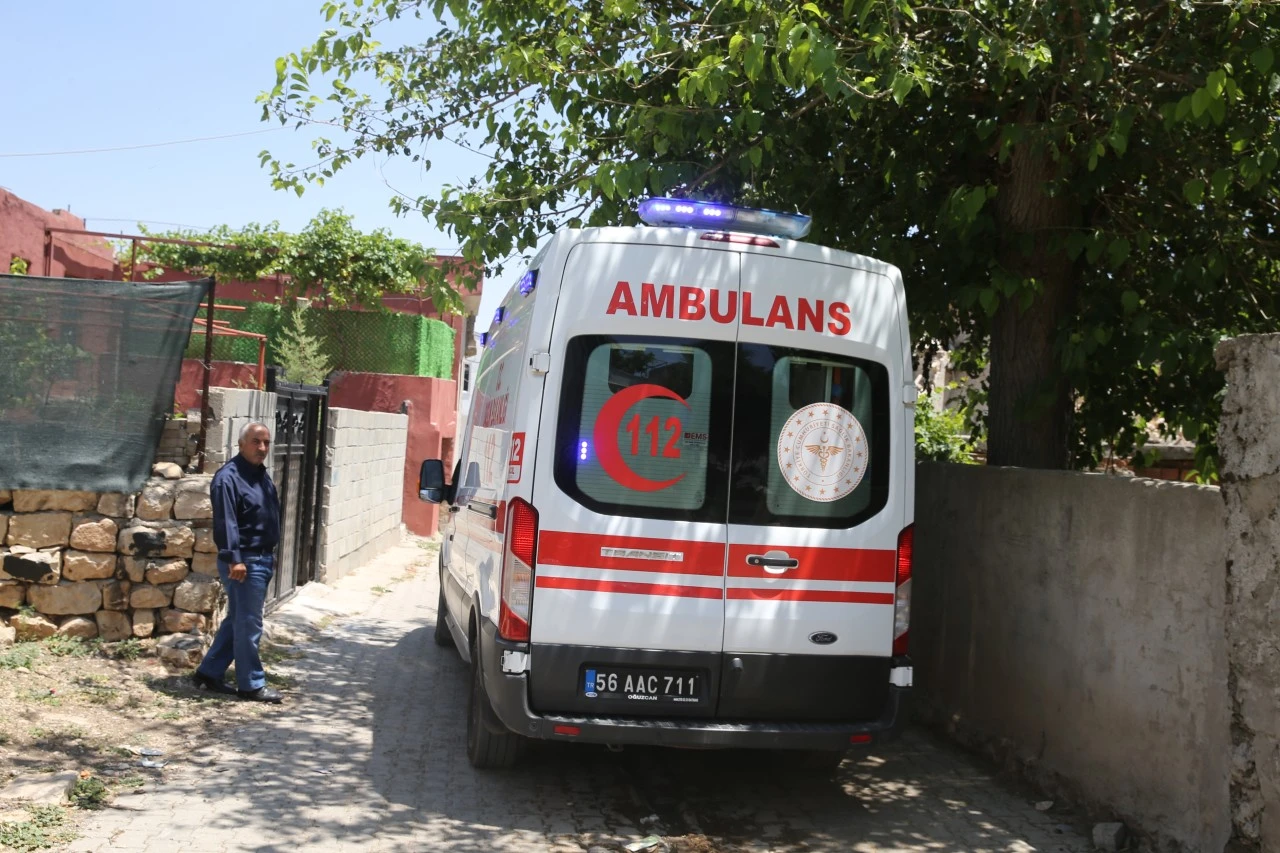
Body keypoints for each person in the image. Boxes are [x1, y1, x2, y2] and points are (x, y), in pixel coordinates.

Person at [192, 421, 284, 703]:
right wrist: (235, 559)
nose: (262, 448)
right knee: (249, 624)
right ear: (241, 443)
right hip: (244, 561)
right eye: (256, 441)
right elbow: (226, 522)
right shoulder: (228, 478)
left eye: (266, 442)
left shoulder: (260, 475)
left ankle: (209, 672)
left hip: (261, 558)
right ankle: (251, 685)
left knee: (238, 620)